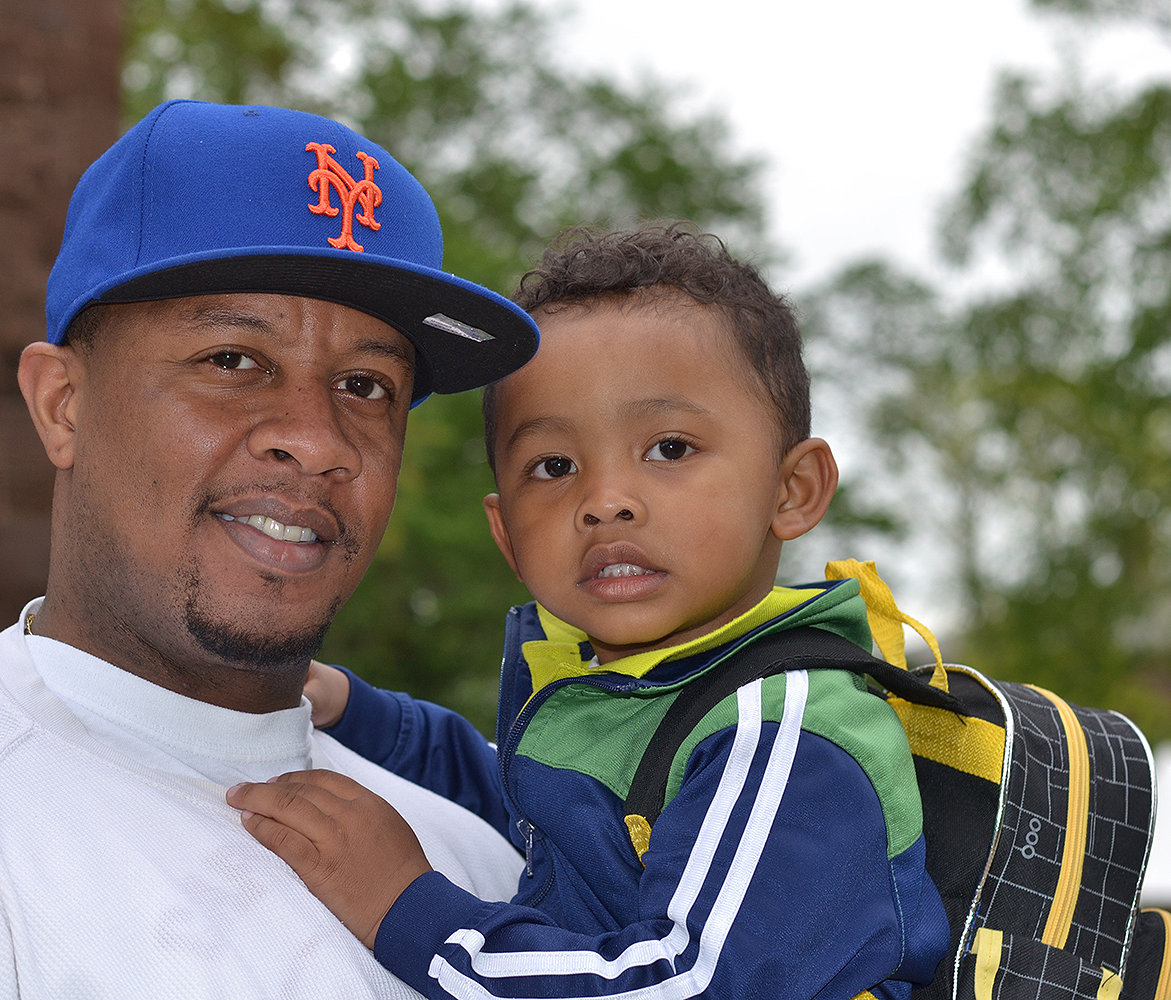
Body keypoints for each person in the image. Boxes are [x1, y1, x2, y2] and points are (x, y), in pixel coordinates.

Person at [0, 100, 540, 998]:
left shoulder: (470, 880)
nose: (315, 439)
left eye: (365, 385)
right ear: (63, 406)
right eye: (232, 361)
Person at [229, 225, 951, 1000]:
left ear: (792, 490)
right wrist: (361, 715)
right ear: (506, 532)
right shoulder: (631, 686)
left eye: (670, 448)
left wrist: (409, 909)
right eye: (554, 466)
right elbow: (552, 817)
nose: (605, 502)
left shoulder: (784, 730)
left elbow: (685, 986)